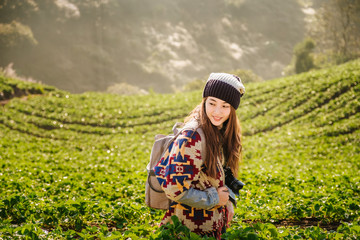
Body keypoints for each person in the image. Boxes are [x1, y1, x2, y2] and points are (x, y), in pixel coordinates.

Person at [154, 73, 245, 239]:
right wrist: (215, 198)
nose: (217, 112)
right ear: (204, 102)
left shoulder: (219, 130)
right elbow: (174, 189)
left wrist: (228, 201)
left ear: (232, 109)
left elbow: (222, 174)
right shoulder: (192, 137)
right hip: (185, 232)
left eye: (225, 106)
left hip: (208, 230)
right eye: (212, 103)